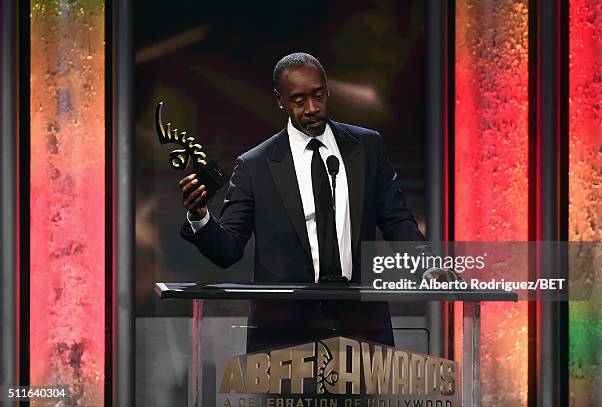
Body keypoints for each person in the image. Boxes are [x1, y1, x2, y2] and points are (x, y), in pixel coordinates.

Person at [179, 52, 441, 352]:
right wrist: (199, 216)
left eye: (318, 96)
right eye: (299, 100)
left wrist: (427, 265)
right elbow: (227, 251)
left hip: (361, 328)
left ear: (327, 90)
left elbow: (397, 221)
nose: (313, 108)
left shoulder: (367, 147)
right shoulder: (256, 165)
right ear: (280, 100)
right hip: (284, 334)